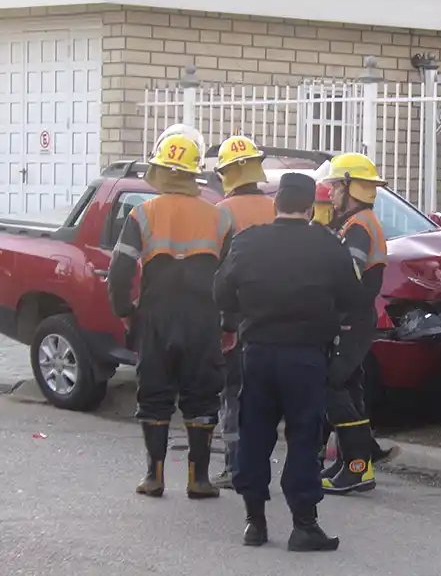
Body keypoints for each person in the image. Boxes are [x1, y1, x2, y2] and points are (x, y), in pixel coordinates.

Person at [214, 172, 362, 551]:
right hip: (306, 356)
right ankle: (303, 525)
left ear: (276, 204)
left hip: (258, 352)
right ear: (311, 207)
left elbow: (221, 292)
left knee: (255, 433)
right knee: (303, 437)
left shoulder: (248, 242)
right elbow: (351, 297)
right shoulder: (328, 246)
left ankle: (254, 523)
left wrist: (243, 315)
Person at [108, 128, 234, 500]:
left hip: (156, 316)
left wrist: (126, 312)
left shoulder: (141, 214)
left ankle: (154, 477)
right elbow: (231, 278)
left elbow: (119, 272)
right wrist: (229, 323)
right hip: (203, 318)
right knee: (202, 395)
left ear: (161, 170)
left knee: (154, 394)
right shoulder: (220, 219)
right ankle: (199, 479)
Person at [319, 152, 398, 495]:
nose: (332, 193)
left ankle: (357, 468)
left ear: (349, 187)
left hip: (351, 319)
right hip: (355, 317)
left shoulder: (358, 227)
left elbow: (347, 278)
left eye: (336, 186)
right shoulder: (358, 222)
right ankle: (351, 463)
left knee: (333, 387)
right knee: (349, 389)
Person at [211, 134, 276, 490]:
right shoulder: (275, 208)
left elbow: (220, 273)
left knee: (233, 392)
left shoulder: (222, 212)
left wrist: (225, 323)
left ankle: (235, 467)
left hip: (239, 320)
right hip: (275, 317)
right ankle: (258, 465)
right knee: (262, 395)